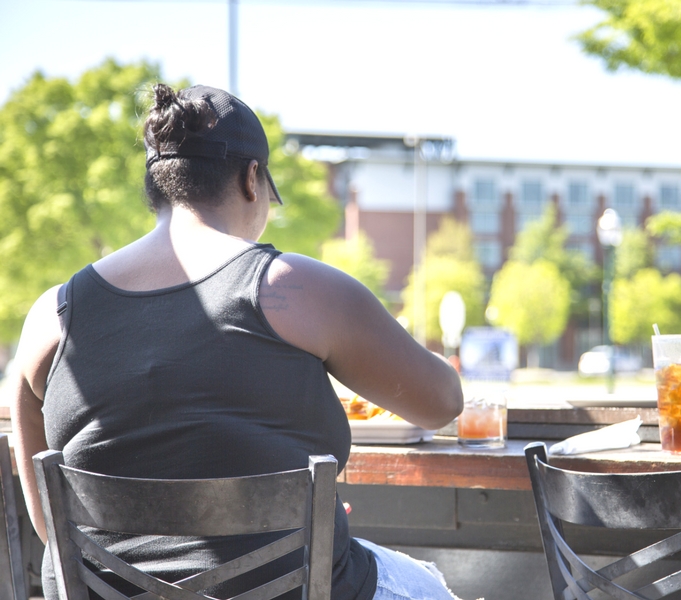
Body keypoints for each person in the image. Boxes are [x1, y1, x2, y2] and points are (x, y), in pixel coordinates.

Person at [9, 83, 463, 600]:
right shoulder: (298, 289)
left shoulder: (51, 316)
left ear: (155, 187)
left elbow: (49, 526)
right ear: (253, 180)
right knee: (432, 585)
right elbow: (443, 404)